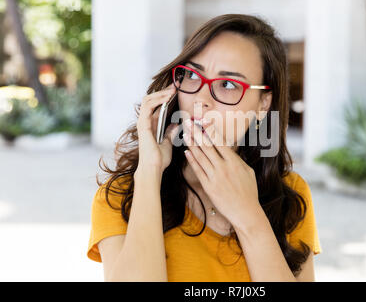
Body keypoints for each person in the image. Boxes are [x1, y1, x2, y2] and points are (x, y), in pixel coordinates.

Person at [87, 14, 322, 282]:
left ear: (263, 104)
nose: (200, 98)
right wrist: (149, 174)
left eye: (229, 84)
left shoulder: (290, 195)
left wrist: (249, 217)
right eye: (192, 75)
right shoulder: (124, 195)